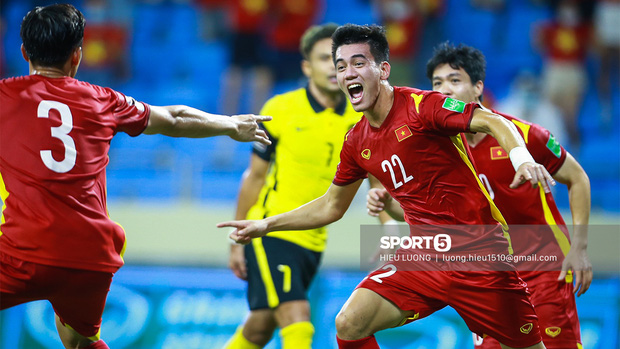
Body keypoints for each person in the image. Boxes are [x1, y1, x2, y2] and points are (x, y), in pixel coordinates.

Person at [218, 24, 556, 349]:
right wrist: (266, 224)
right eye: (341, 66)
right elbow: (331, 205)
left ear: (383, 70)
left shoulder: (423, 106)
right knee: (349, 323)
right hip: (425, 255)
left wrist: (521, 158)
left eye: (358, 63)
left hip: (480, 255)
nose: (347, 72)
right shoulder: (355, 140)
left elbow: (491, 119)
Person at [0, 4, 271, 349]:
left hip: (21, 252)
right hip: (90, 255)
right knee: (79, 340)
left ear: (23, 51)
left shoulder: (5, 95)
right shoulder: (104, 100)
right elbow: (173, 118)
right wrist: (230, 125)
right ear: (77, 56)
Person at [367, 42, 592, 348]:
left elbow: (577, 178)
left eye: (454, 81)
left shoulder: (525, 136)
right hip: (489, 279)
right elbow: (428, 219)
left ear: (478, 88)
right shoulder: (435, 152)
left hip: (543, 270)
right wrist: (389, 205)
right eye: (437, 83)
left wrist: (578, 247)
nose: (444, 90)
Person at [224, 23, 362, 349]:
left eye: (340, 61)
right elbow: (254, 176)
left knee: (259, 327)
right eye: (324, 59)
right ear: (306, 66)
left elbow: (376, 186)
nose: (333, 67)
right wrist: (236, 241)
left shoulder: (358, 119)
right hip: (270, 230)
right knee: (297, 316)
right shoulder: (280, 109)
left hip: (314, 239)